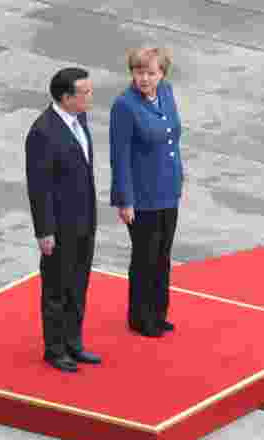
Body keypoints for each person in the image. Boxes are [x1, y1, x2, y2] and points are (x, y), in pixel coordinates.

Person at [25, 67, 102, 372]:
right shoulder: (43, 132)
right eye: (85, 92)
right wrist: (44, 232)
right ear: (66, 97)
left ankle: (74, 342)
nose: (90, 96)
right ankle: (55, 350)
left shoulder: (79, 119)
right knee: (57, 289)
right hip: (59, 227)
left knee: (79, 285)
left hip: (84, 222)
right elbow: (39, 186)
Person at [109, 47, 184, 337]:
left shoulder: (166, 92)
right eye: (139, 72)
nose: (144, 78)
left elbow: (172, 137)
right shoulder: (124, 106)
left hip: (168, 189)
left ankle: (158, 311)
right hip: (142, 196)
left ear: (162, 74)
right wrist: (124, 199)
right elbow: (120, 156)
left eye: (150, 73)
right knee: (145, 257)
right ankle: (141, 317)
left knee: (163, 255)